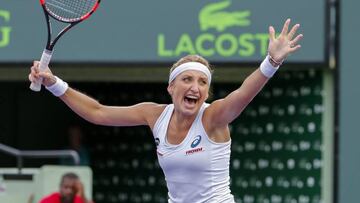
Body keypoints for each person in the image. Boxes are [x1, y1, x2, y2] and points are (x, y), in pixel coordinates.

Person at [29, 19, 302, 202]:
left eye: (202, 82)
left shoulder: (214, 117)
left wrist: (271, 62)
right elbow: (98, 112)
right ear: (171, 88)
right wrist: (54, 83)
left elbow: (243, 93)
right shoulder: (154, 114)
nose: (195, 87)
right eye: (187, 80)